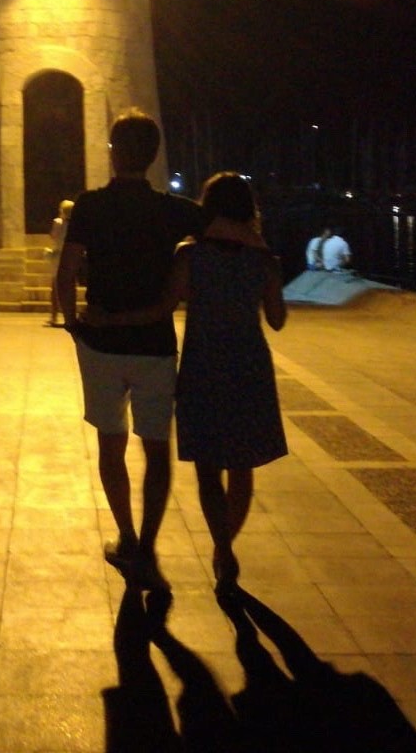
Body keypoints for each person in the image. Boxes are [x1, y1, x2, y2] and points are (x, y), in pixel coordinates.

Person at [90, 172, 287, 599]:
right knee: (242, 467)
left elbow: (161, 309)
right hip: (250, 367)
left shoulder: (190, 256)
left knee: (208, 472)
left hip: (204, 366)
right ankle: (224, 550)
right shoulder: (263, 261)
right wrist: (266, 263)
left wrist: (110, 320)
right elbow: (276, 319)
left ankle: (223, 550)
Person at [56, 108, 203, 591]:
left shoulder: (90, 206)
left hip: (101, 343)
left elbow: (66, 271)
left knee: (110, 442)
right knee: (157, 448)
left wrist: (75, 325)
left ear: (113, 151)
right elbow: (222, 230)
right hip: (155, 345)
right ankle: (148, 542)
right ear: (155, 155)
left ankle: (125, 534)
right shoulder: (174, 210)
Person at [46, 198, 73, 326]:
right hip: (70, 257)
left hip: (58, 257)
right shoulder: (76, 224)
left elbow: (53, 236)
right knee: (69, 287)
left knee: (55, 287)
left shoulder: (58, 222)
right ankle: (70, 317)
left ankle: (54, 316)